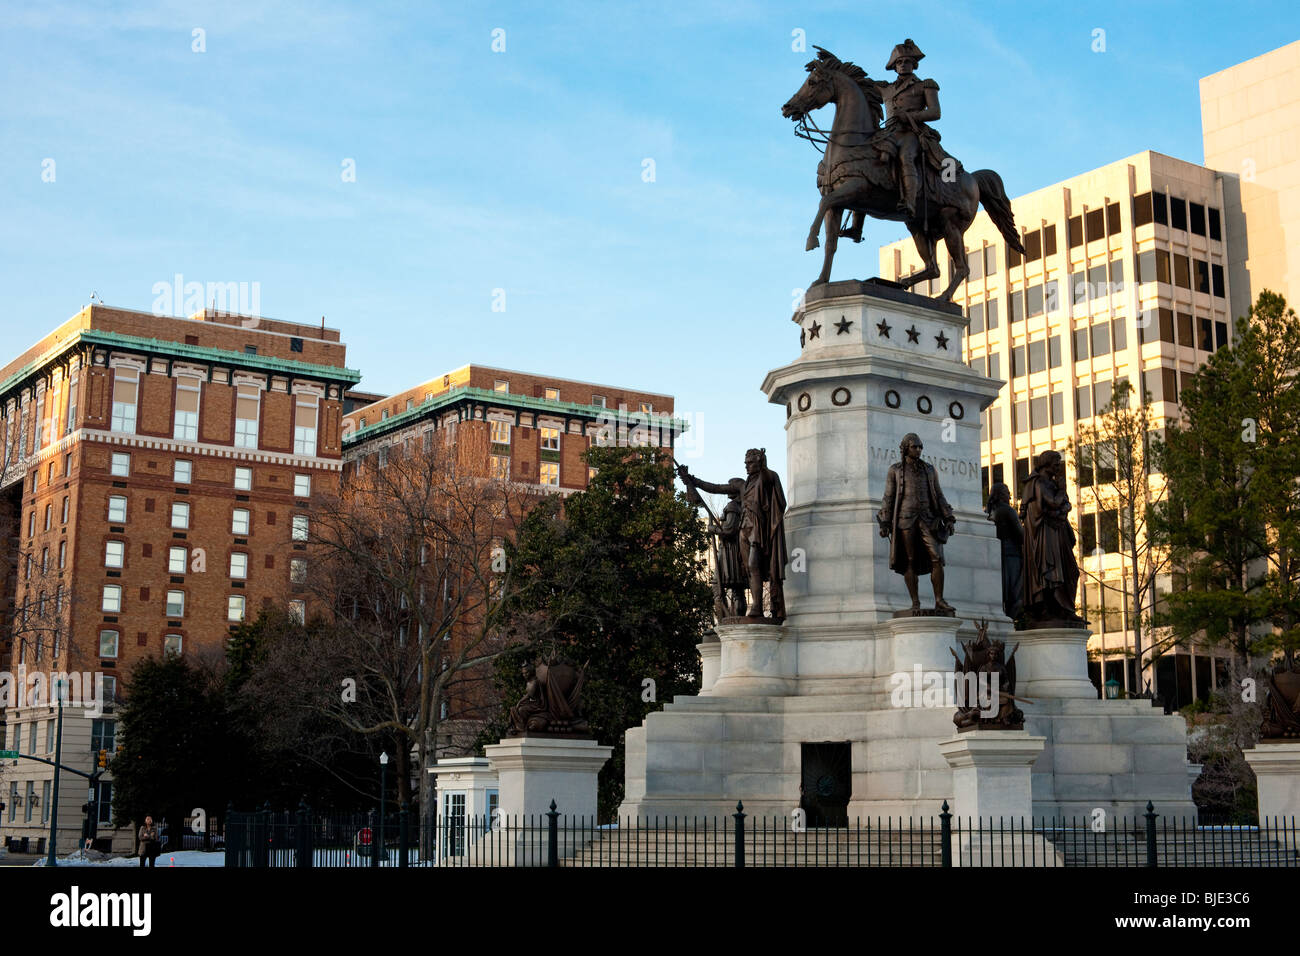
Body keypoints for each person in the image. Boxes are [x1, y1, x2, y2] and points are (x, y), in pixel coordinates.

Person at [877, 433, 956, 612]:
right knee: (909, 560)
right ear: (906, 448)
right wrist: (885, 522)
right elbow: (888, 497)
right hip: (906, 520)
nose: (918, 450)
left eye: (920, 447)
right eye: (915, 446)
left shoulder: (929, 469)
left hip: (928, 519)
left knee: (937, 557)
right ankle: (915, 602)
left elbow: (939, 494)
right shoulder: (895, 470)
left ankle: (939, 600)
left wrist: (949, 517)